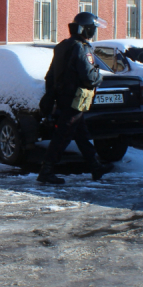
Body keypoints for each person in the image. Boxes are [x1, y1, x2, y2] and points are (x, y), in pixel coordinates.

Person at [37, 11, 114, 185]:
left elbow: (50, 75)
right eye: (92, 28)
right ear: (85, 29)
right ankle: (46, 171)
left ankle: (95, 167)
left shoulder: (63, 45)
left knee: (81, 133)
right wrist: (99, 76)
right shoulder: (81, 47)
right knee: (63, 136)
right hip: (74, 98)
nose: (94, 32)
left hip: (64, 97)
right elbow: (89, 77)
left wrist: (52, 95)